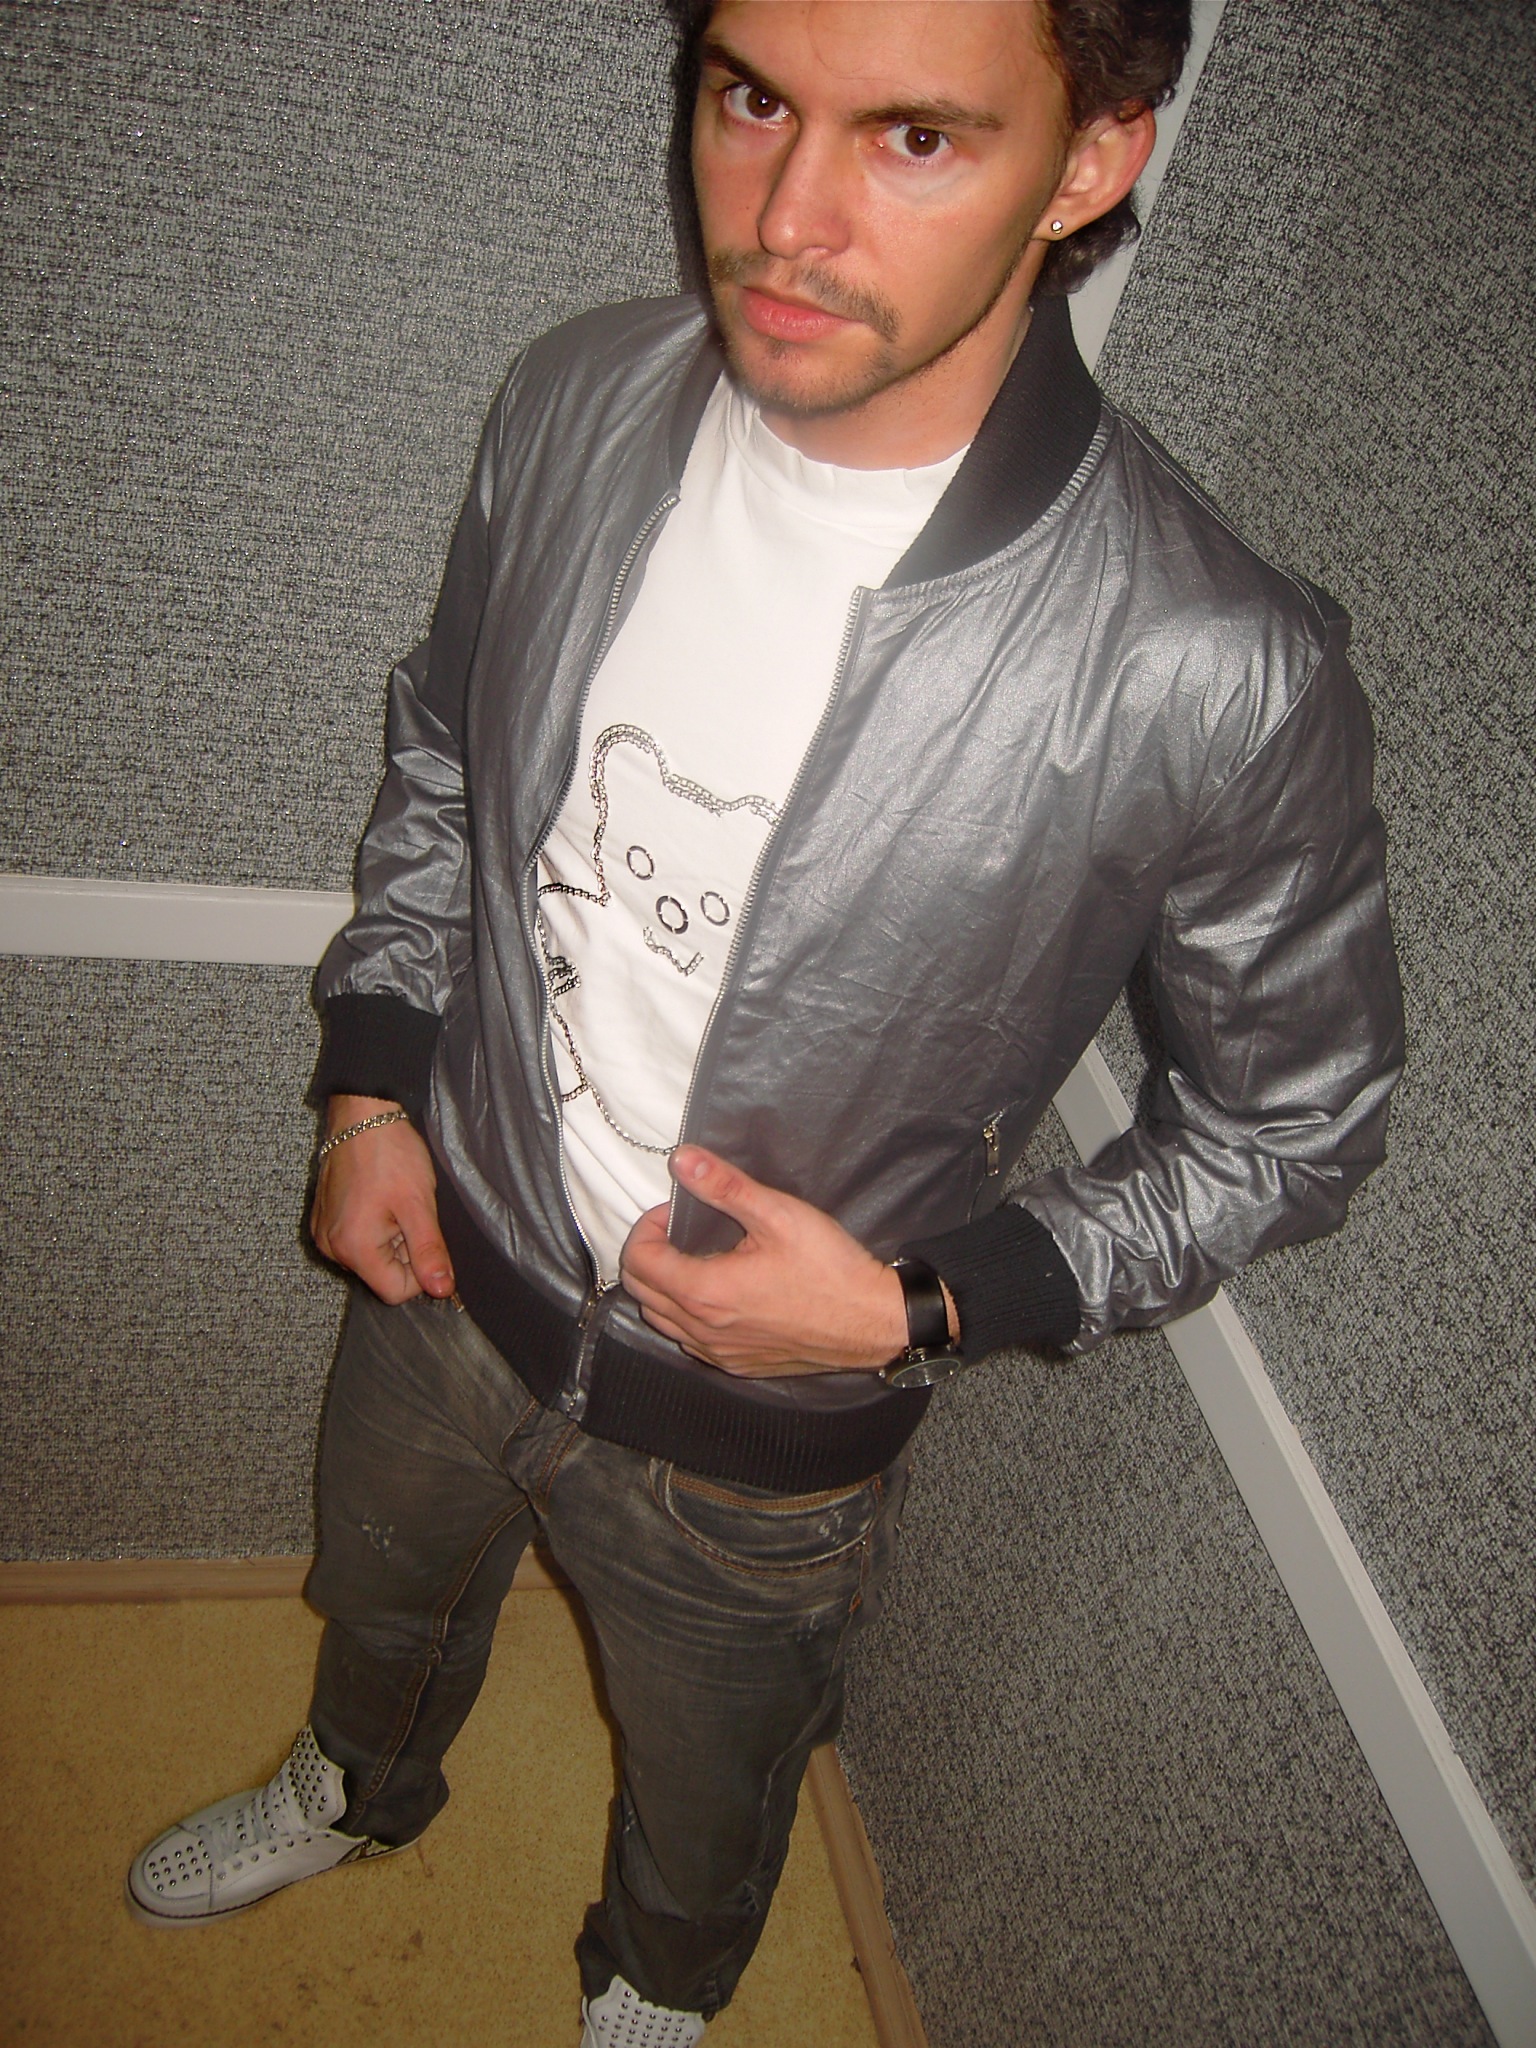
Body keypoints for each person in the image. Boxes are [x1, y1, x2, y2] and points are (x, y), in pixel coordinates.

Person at [126, 2, 1403, 2041]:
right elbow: (445, 750)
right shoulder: (572, 399)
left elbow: (1295, 1123)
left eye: (914, 137)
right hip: (452, 1263)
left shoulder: (1210, 668)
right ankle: (358, 1789)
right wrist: (372, 1085)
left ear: (1089, 160)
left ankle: (664, 1985)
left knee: (715, 1789)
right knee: (376, 1592)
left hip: (771, 1442)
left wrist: (918, 1307)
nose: (785, 216)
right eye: (751, 98)